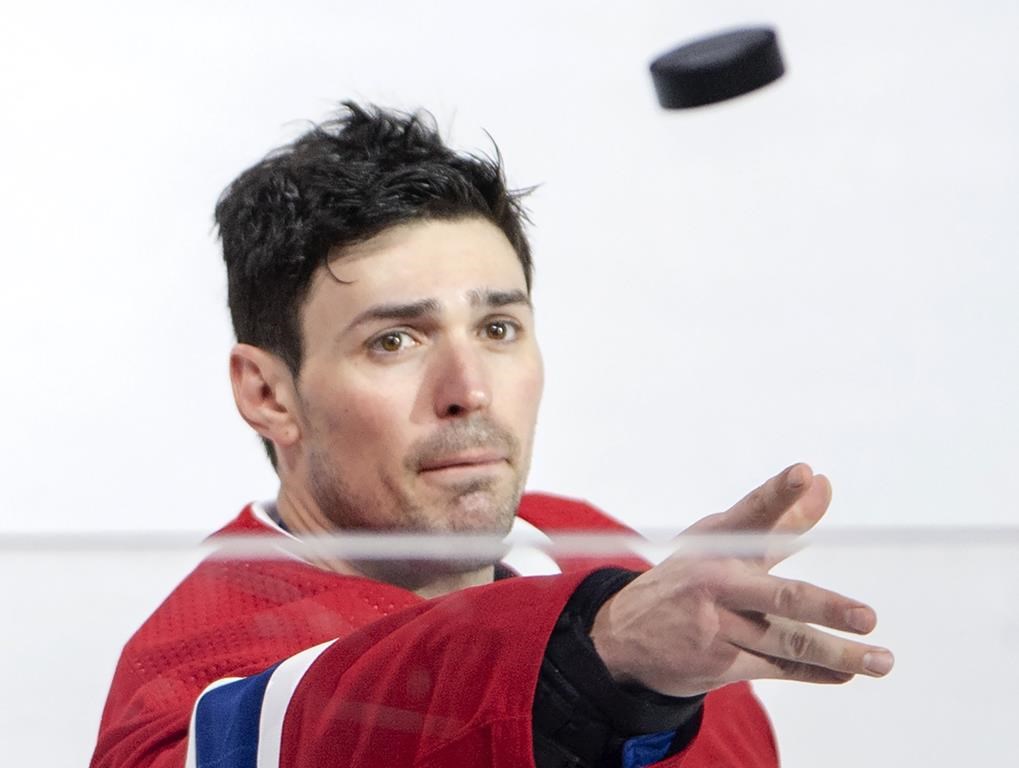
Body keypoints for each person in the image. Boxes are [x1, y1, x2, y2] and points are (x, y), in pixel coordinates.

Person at [91, 103, 893, 768]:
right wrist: (593, 662)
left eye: (498, 328)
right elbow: (295, 733)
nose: (468, 390)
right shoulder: (194, 664)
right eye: (394, 341)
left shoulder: (598, 554)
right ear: (268, 394)